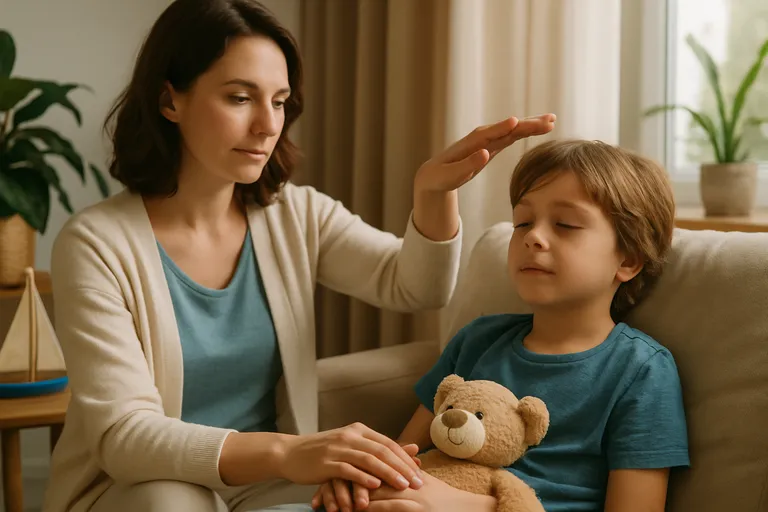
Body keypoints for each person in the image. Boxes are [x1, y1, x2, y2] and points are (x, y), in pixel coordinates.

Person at [41, 0, 555, 511]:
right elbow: (124, 437)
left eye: (280, 101)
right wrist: (290, 452)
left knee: (393, 499)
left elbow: (414, 287)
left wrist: (433, 194)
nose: (268, 125)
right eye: (240, 98)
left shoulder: (295, 213)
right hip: (135, 488)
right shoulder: (95, 244)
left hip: (266, 484)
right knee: (172, 501)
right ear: (169, 101)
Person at [313, 139, 690, 512]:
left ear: (628, 259)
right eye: (522, 222)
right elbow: (403, 457)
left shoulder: (640, 371)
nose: (533, 237)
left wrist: (466, 505)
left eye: (565, 224)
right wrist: (359, 483)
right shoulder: (479, 340)